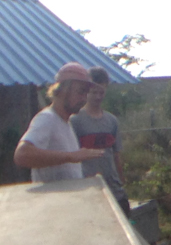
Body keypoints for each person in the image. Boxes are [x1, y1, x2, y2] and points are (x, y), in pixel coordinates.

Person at [14, 62, 105, 183]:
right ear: (62, 90)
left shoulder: (65, 122)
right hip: (53, 201)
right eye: (80, 92)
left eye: (86, 93)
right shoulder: (47, 118)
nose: (84, 99)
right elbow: (22, 155)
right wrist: (71, 156)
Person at [69, 67, 131, 214]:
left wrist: (121, 182)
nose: (98, 96)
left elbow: (116, 155)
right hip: (89, 190)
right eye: (94, 92)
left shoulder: (111, 121)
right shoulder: (75, 120)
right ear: (86, 91)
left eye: (101, 92)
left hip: (114, 189)